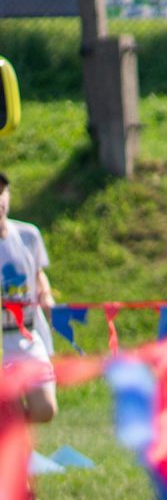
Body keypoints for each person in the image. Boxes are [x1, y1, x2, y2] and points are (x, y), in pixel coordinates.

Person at [0, 172, 57, 425]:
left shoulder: (27, 234)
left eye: (1, 192)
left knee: (45, 410)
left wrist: (45, 294)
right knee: (7, 411)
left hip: (27, 336)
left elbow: (37, 273)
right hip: (1, 341)